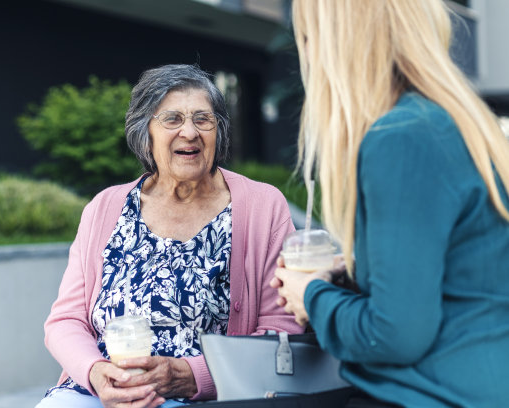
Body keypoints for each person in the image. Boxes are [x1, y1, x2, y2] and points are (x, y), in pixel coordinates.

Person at [271, 1, 509, 407]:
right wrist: (351, 279)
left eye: (308, 38)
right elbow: (459, 278)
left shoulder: (400, 138)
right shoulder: (450, 122)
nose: (304, 54)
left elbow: (395, 334)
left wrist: (312, 295)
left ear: (338, 42)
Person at [36, 64, 302, 408]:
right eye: (172, 119)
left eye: (203, 120)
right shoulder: (105, 207)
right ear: (146, 131)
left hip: (205, 396)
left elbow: (281, 329)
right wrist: (97, 373)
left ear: (218, 131)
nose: (189, 132)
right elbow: (65, 321)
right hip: (101, 392)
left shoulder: (263, 206)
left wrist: (194, 375)